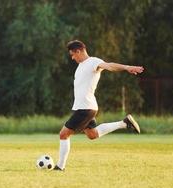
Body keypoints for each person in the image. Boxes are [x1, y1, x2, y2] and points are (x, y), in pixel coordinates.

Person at [53, 40, 144, 171]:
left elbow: (109, 65)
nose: (72, 58)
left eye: (72, 55)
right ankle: (124, 123)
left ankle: (60, 167)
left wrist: (126, 67)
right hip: (85, 107)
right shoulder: (81, 66)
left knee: (63, 134)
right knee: (92, 134)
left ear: (78, 51)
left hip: (86, 108)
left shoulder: (93, 62)